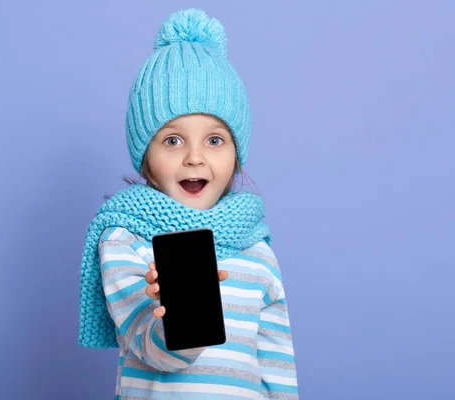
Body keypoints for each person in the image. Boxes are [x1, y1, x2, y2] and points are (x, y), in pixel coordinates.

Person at [78, 8, 299, 399]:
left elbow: (277, 364)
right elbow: (146, 345)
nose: (194, 157)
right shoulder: (124, 239)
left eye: (214, 140)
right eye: (173, 140)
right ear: (146, 156)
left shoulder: (256, 247)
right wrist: (177, 316)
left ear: (235, 154)